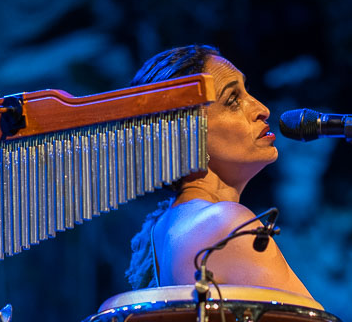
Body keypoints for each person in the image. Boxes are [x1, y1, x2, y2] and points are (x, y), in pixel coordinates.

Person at [125, 45, 312, 298]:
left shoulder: (165, 228)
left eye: (247, 92)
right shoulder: (224, 223)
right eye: (233, 100)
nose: (262, 109)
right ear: (188, 135)